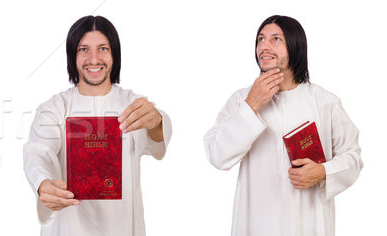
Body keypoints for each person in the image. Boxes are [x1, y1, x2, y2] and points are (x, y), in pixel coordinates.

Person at [204, 15, 363, 236]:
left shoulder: (325, 101)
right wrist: (251, 106)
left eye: (275, 39)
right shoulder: (241, 99)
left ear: (295, 46)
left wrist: (323, 172)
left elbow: (353, 157)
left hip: (309, 225)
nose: (264, 46)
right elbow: (216, 155)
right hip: (255, 224)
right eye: (260, 39)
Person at [23, 15, 172, 235]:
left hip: (120, 226)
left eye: (103, 48)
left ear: (114, 55)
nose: (94, 59)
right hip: (68, 227)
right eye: (84, 49)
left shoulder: (132, 104)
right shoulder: (54, 108)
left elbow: (157, 141)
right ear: (72, 55)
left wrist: (156, 121)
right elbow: (38, 152)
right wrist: (42, 182)